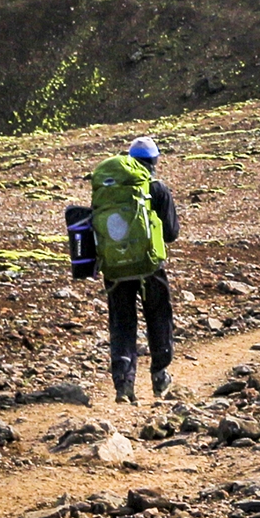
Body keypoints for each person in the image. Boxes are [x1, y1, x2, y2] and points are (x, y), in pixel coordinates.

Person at [94, 135, 180, 403]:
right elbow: (171, 234)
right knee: (158, 316)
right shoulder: (157, 189)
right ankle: (159, 377)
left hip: (114, 269)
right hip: (150, 265)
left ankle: (123, 385)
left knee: (121, 322)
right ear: (154, 161)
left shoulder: (107, 189)